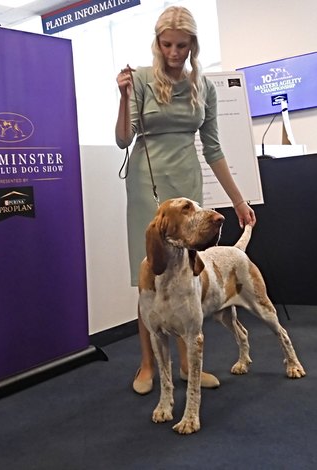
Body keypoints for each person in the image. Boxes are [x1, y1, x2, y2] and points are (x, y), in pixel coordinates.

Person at [115, 6, 256, 395]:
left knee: (186, 279)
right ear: (157, 44)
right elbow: (124, 139)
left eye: (181, 45)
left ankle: (187, 365)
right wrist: (124, 96)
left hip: (187, 183)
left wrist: (239, 201)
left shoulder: (203, 86)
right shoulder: (141, 79)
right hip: (148, 184)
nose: (174, 52)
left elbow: (213, 148)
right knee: (150, 277)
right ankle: (147, 365)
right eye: (167, 44)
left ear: (192, 44)